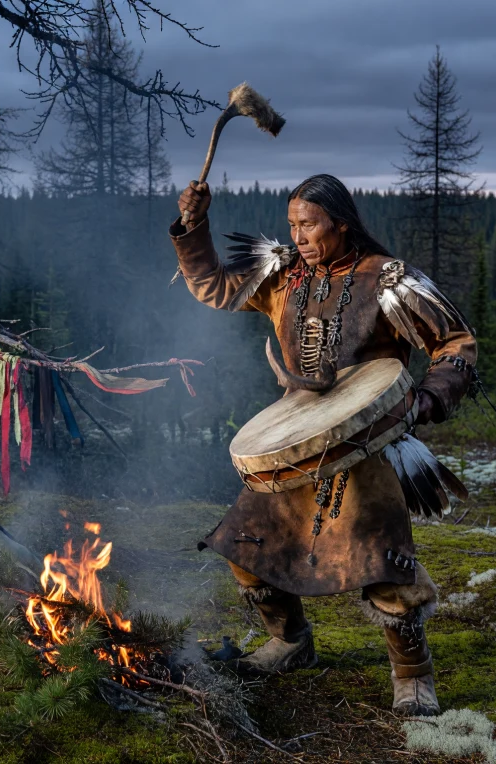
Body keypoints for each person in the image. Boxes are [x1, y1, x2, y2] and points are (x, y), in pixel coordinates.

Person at [171, 174, 478, 717]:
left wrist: (426, 400)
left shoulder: (388, 280)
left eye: (308, 224)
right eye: (292, 225)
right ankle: (291, 643)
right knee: (246, 545)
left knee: (383, 564)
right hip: (294, 446)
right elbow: (214, 286)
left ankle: (413, 676)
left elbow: (455, 343)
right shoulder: (283, 275)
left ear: (340, 223)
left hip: (368, 446)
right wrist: (193, 227)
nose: (298, 236)